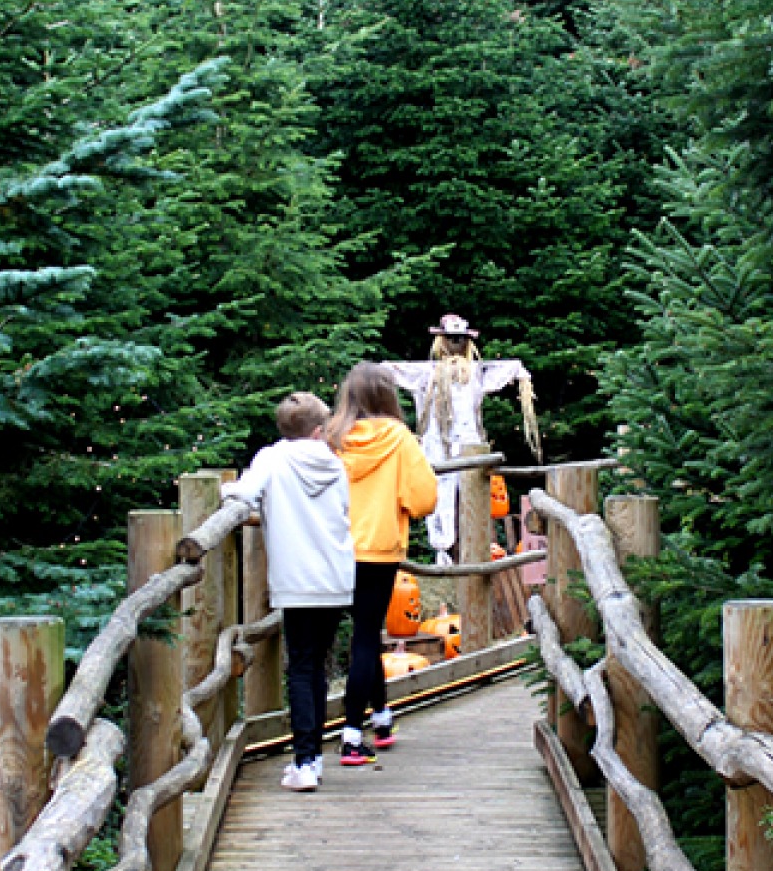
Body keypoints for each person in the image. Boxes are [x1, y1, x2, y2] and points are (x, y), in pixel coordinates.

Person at [224, 391, 354, 793]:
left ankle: (305, 761)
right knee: (317, 664)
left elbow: (243, 494)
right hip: (335, 577)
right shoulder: (335, 464)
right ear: (318, 430)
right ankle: (313, 755)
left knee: (299, 666)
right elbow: (346, 511)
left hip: (297, 581)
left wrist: (229, 497)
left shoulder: (272, 459)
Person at [326, 362, 438, 766]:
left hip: (334, 549)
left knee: (363, 634)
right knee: (366, 636)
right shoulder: (399, 439)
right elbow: (424, 499)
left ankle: (382, 716)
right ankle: (352, 734)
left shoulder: (331, 440)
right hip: (378, 549)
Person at [384, 314, 541, 563]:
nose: (455, 343)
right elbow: (388, 371)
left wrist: (519, 374)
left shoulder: (477, 374)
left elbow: (511, 368)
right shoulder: (427, 375)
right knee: (440, 497)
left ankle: (472, 554)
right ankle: (444, 551)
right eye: (451, 338)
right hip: (438, 448)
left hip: (470, 448)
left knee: (471, 497)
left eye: (460, 338)